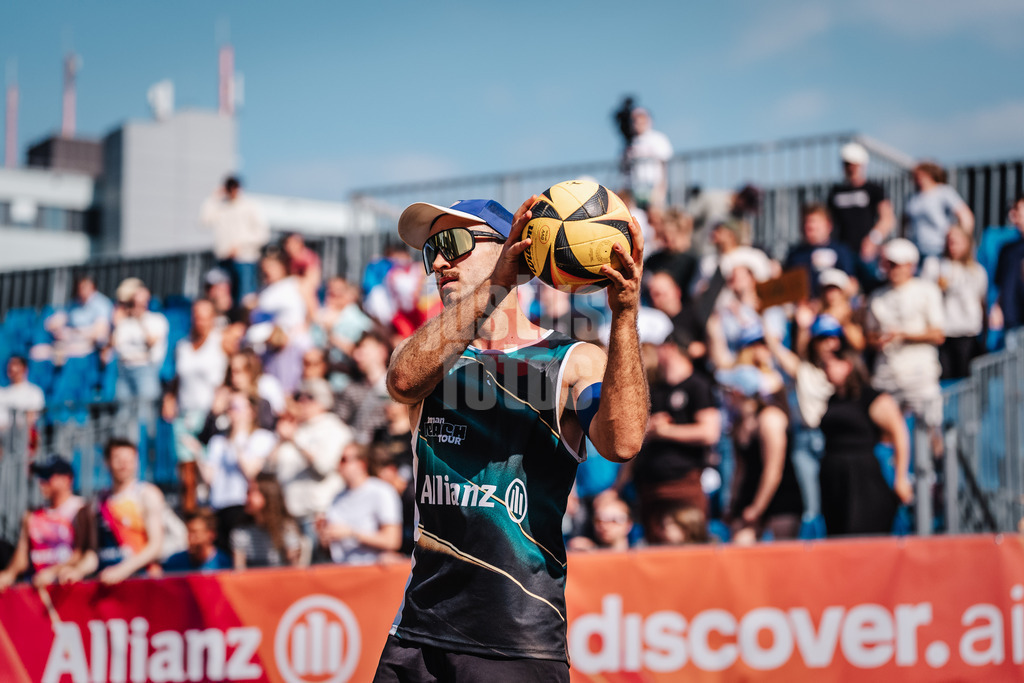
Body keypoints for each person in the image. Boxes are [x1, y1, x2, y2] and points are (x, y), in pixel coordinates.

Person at [375, 196, 648, 680]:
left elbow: (622, 442)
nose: (438, 262)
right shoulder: (433, 358)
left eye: (453, 244)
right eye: (431, 250)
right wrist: (496, 283)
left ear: (516, 249)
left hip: (519, 640)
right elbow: (401, 380)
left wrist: (625, 316)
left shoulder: (572, 359)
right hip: (417, 637)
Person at [619, 332, 719, 538]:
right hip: (649, 485)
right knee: (655, 552)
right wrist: (650, 429)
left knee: (691, 543)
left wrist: (665, 432)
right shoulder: (654, 389)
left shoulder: (697, 385)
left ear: (671, 348)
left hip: (684, 482)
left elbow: (710, 432)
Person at [816, 347, 913, 536]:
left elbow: (899, 434)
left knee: (861, 533)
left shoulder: (871, 397)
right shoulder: (833, 400)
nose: (826, 369)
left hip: (862, 481)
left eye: (830, 364)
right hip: (835, 480)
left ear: (848, 365)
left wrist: (901, 478)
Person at [865, 239, 945, 437]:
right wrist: (879, 341)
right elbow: (870, 335)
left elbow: (938, 334)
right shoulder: (877, 296)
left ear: (911, 265)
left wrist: (902, 335)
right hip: (887, 375)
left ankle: (936, 467)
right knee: (886, 435)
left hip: (920, 375)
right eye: (889, 263)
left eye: (897, 264)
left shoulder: (926, 290)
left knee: (931, 433)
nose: (892, 269)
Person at [265, 378, 353, 543]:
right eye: (300, 396)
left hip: (318, 514)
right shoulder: (295, 428)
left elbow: (324, 467)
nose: (302, 401)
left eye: (308, 397)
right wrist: (280, 440)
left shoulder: (334, 428)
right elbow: (268, 470)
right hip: (290, 516)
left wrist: (294, 440)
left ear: (323, 400)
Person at [0, 455, 97, 590]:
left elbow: (83, 554)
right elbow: (22, 556)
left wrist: (53, 572)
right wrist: (9, 574)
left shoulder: (81, 510)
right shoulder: (32, 515)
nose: (42, 482)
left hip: (67, 589)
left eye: (48, 477)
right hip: (36, 589)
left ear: (66, 479)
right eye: (41, 477)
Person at [199, 394, 277, 553]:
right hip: (219, 507)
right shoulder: (217, 441)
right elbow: (209, 479)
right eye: (229, 408)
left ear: (251, 412)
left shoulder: (261, 438)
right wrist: (197, 453)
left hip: (244, 505)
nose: (231, 413)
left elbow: (250, 472)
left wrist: (237, 439)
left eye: (236, 408)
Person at [94, 439, 166, 584]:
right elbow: (93, 552)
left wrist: (122, 570)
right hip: (107, 581)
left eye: (129, 459)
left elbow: (156, 546)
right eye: (118, 459)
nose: (124, 464)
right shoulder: (100, 501)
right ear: (107, 462)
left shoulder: (146, 494)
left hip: (143, 580)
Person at [920, 225, 988, 379]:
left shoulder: (977, 271)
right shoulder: (934, 265)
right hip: (943, 332)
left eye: (957, 242)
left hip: (967, 332)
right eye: (950, 241)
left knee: (965, 378)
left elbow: (981, 302)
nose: (953, 246)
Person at [319, 443, 402, 565]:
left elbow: (392, 540)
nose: (339, 465)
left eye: (344, 460)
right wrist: (324, 538)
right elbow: (331, 548)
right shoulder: (336, 498)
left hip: (371, 572)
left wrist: (351, 533)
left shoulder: (381, 491)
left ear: (361, 463)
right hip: (341, 571)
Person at [200, 175, 270, 302]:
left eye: (234, 187)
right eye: (229, 187)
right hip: (224, 259)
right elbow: (205, 220)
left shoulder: (251, 206)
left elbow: (263, 234)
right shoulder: (220, 207)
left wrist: (240, 245)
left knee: (244, 298)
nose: (232, 190)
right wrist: (214, 197)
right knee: (223, 299)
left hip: (245, 260)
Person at [827, 142, 896, 265]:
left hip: (867, 252)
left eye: (853, 164)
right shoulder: (835, 192)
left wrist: (873, 240)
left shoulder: (874, 190)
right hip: (842, 251)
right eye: (847, 164)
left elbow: (887, 219)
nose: (850, 168)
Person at [109, 278, 169, 408]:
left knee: (144, 414)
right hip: (123, 371)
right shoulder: (123, 322)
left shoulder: (157, 320)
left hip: (146, 369)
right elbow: (114, 345)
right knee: (123, 416)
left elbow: (151, 342)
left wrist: (139, 319)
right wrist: (115, 322)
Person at [783, 203, 858, 299]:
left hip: (832, 305)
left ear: (828, 225)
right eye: (807, 222)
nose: (810, 226)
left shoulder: (841, 251)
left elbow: (852, 285)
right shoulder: (795, 254)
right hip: (802, 306)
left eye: (815, 222)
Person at [231, 473, 304, 569]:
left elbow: (295, 569)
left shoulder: (287, 529)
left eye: (251, 492)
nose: (246, 498)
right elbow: (239, 572)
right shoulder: (241, 532)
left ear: (268, 495)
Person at [904, 161, 974, 260]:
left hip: (938, 249)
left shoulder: (944, 191)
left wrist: (962, 240)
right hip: (916, 248)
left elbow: (965, 215)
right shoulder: (913, 197)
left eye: (920, 174)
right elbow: (905, 221)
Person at [335, 330, 392, 444]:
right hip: (359, 451)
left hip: (389, 452)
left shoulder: (398, 388)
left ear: (381, 351)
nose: (357, 355)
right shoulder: (351, 389)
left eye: (363, 348)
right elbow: (338, 425)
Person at [42, 275, 113, 362]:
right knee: (40, 352)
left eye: (85, 286)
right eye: (80, 286)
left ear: (93, 286)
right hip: (70, 341)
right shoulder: (73, 303)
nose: (82, 289)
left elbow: (100, 331)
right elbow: (53, 323)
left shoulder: (102, 304)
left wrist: (75, 333)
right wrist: (59, 328)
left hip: (91, 344)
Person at [623, 108, 673, 211]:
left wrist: (662, 186)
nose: (638, 124)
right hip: (635, 187)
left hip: (653, 185)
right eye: (635, 121)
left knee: (654, 214)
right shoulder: (630, 143)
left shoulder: (658, 138)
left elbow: (664, 163)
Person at [162, 508, 232, 572]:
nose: (190, 537)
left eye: (195, 532)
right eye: (189, 532)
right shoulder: (174, 562)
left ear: (211, 534)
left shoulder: (223, 563)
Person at [992, 194, 1024, 332]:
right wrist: (997, 307)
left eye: (1017, 209)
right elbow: (1002, 285)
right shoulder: (1008, 250)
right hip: (1012, 323)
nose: (1013, 213)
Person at [566, 493, 634, 552]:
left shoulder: (641, 554)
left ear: (628, 524)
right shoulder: (587, 553)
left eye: (614, 520)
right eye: (599, 520)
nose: (604, 526)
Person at [0, 355, 45, 432]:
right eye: (10, 365)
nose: (12, 368)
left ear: (24, 369)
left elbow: (32, 418)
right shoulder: (2, 392)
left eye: (15, 365)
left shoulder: (34, 392)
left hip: (22, 437)